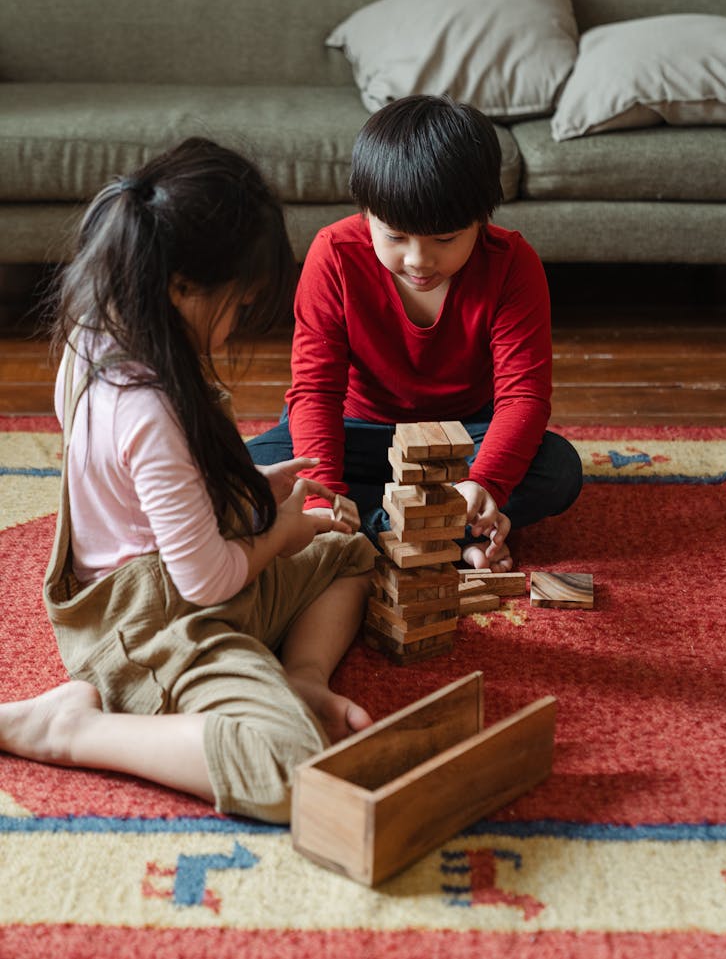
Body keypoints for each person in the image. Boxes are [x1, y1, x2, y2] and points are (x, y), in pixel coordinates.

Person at [0, 137, 377, 824]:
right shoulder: (146, 404)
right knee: (288, 763)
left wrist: (252, 486)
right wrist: (279, 533)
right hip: (147, 627)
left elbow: (148, 493)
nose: (234, 331)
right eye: (236, 308)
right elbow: (205, 582)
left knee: (349, 550)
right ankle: (71, 730)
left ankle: (303, 675)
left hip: (189, 567)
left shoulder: (106, 329)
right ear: (180, 287)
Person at [249, 95, 582, 571]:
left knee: (558, 469)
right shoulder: (335, 255)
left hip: (461, 439)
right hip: (357, 433)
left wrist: (483, 482)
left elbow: (523, 398)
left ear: (481, 218)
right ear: (366, 214)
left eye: (445, 239)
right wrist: (323, 499)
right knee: (243, 474)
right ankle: (439, 537)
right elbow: (316, 393)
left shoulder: (512, 264)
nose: (419, 261)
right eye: (395, 236)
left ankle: (383, 531)